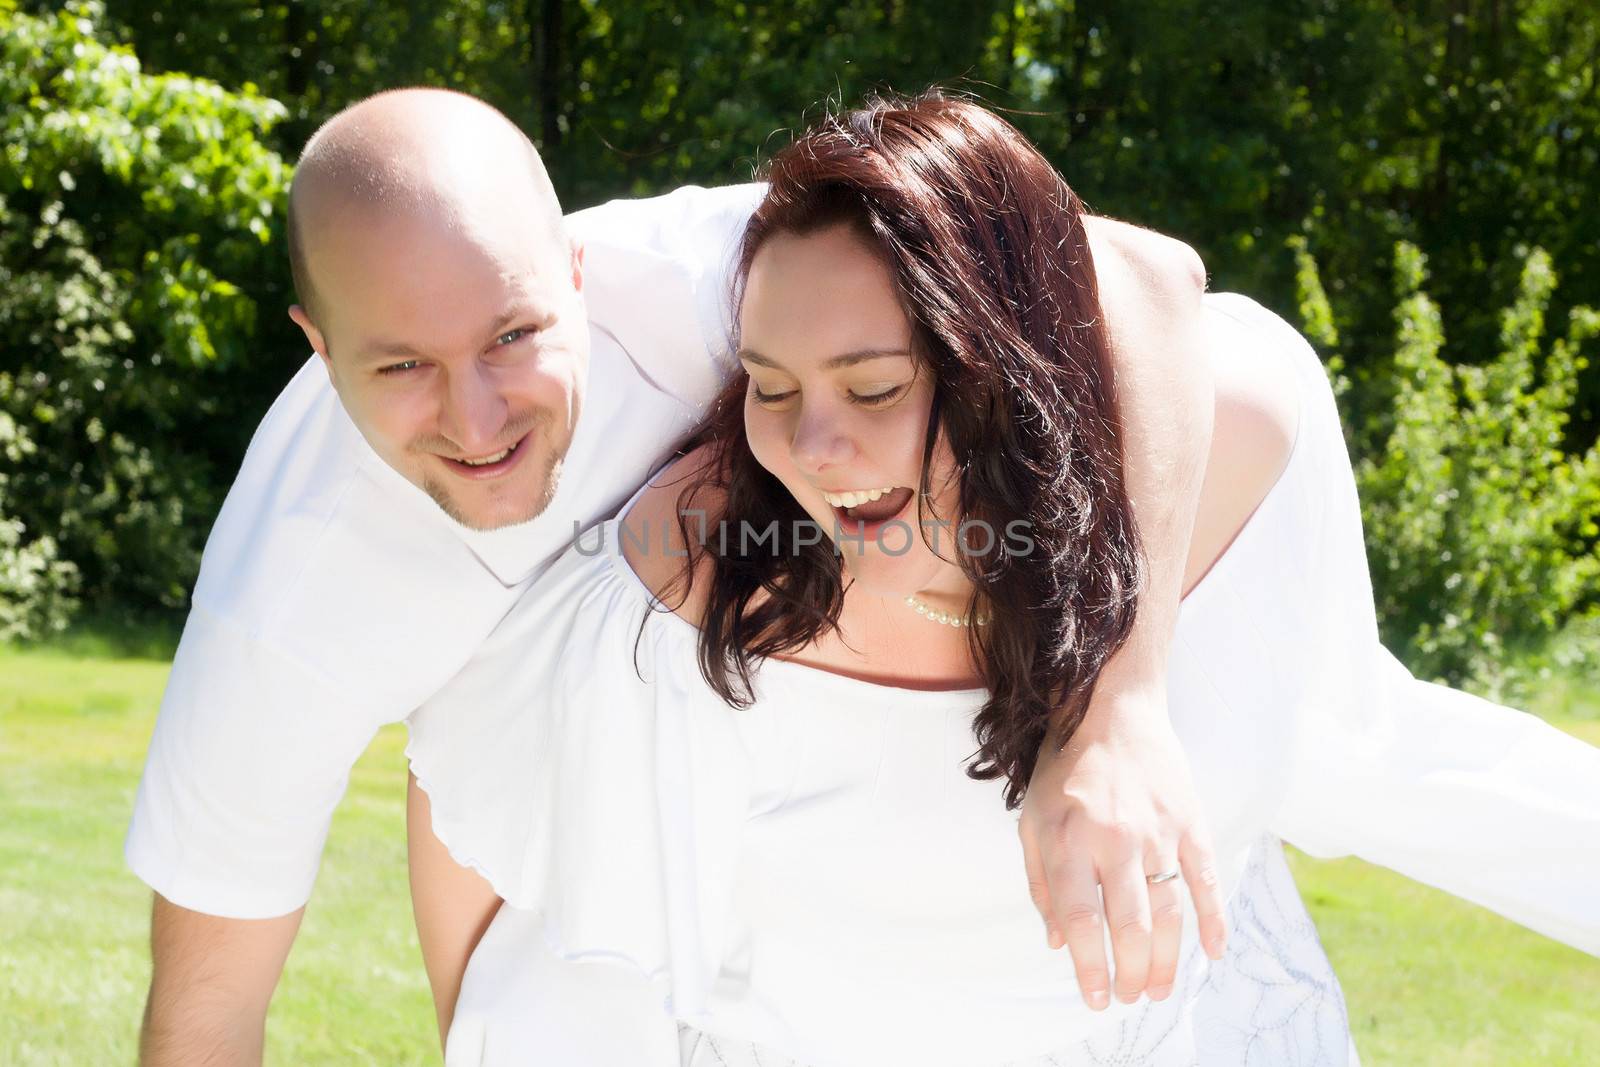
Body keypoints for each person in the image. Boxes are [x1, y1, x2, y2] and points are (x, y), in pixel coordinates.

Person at [405, 92, 1600, 1066]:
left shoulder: (1232, 436)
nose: (813, 447)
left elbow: (1157, 276)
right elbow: (476, 800)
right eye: (771, 386)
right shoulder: (706, 556)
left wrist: (1116, 700)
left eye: (874, 386)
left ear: (1006, 362)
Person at [125, 87, 1223, 1064]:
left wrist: (1118, 706)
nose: (477, 418)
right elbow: (207, 1011)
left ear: (577, 272)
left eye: (512, 336)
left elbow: (1144, 275)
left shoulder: (724, 279)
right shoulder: (286, 610)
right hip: (553, 869)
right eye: (403, 365)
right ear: (317, 348)